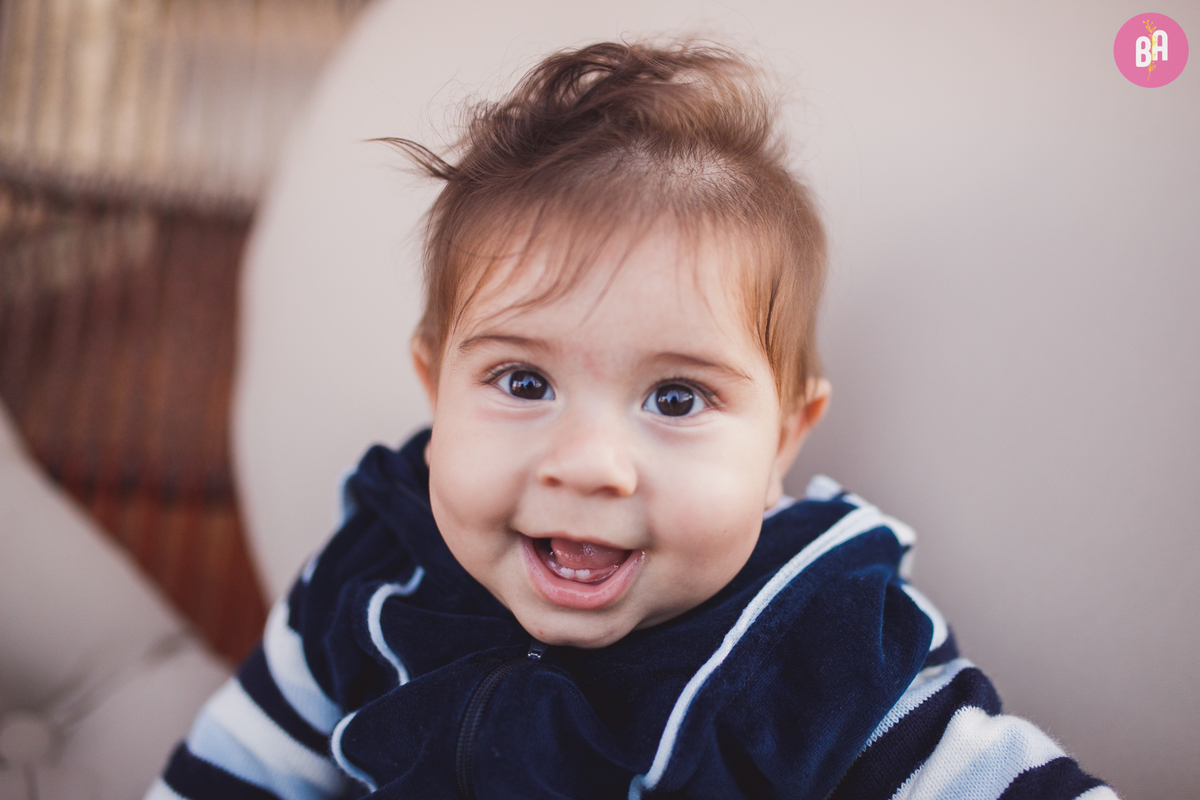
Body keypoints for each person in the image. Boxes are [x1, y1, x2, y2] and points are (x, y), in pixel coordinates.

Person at [147, 41, 1116, 800]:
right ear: (433, 385)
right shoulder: (373, 569)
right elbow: (234, 770)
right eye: (524, 381)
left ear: (785, 433)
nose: (591, 465)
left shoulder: (821, 646)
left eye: (677, 397)